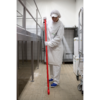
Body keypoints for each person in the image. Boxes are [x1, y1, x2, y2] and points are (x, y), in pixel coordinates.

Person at [43, 10, 64, 87]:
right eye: (52, 17)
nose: (53, 18)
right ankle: (52, 77)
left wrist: (49, 43)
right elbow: (43, 29)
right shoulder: (49, 21)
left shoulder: (61, 25)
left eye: (55, 17)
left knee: (56, 64)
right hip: (50, 48)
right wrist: (43, 22)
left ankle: (56, 81)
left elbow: (58, 38)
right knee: (51, 63)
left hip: (57, 48)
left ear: (58, 16)